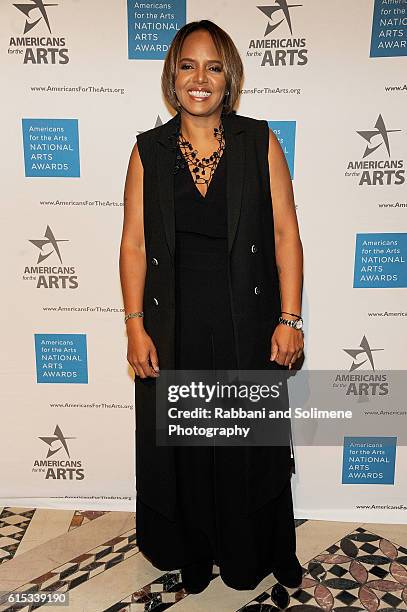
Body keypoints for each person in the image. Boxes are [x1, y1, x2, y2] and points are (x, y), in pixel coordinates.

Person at [119, 19, 304, 594]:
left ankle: (258, 549)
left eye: (214, 66)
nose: (200, 78)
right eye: (188, 65)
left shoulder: (258, 141)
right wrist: (134, 327)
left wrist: (290, 318)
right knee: (187, 451)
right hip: (174, 329)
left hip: (246, 322)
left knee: (252, 445)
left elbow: (284, 235)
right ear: (173, 77)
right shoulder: (148, 150)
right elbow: (133, 244)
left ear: (230, 77)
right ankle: (193, 554)